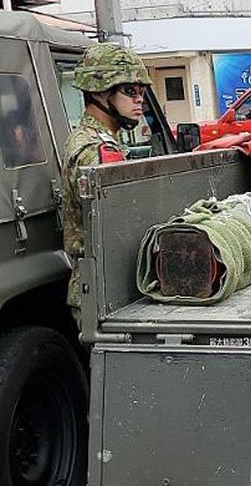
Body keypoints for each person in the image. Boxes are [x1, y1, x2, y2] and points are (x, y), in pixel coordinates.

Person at [62, 42, 152, 328]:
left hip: (105, 284)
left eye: (142, 91)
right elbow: (118, 225)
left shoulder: (100, 140)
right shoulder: (95, 149)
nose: (140, 100)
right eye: (130, 91)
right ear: (100, 91)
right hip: (104, 290)